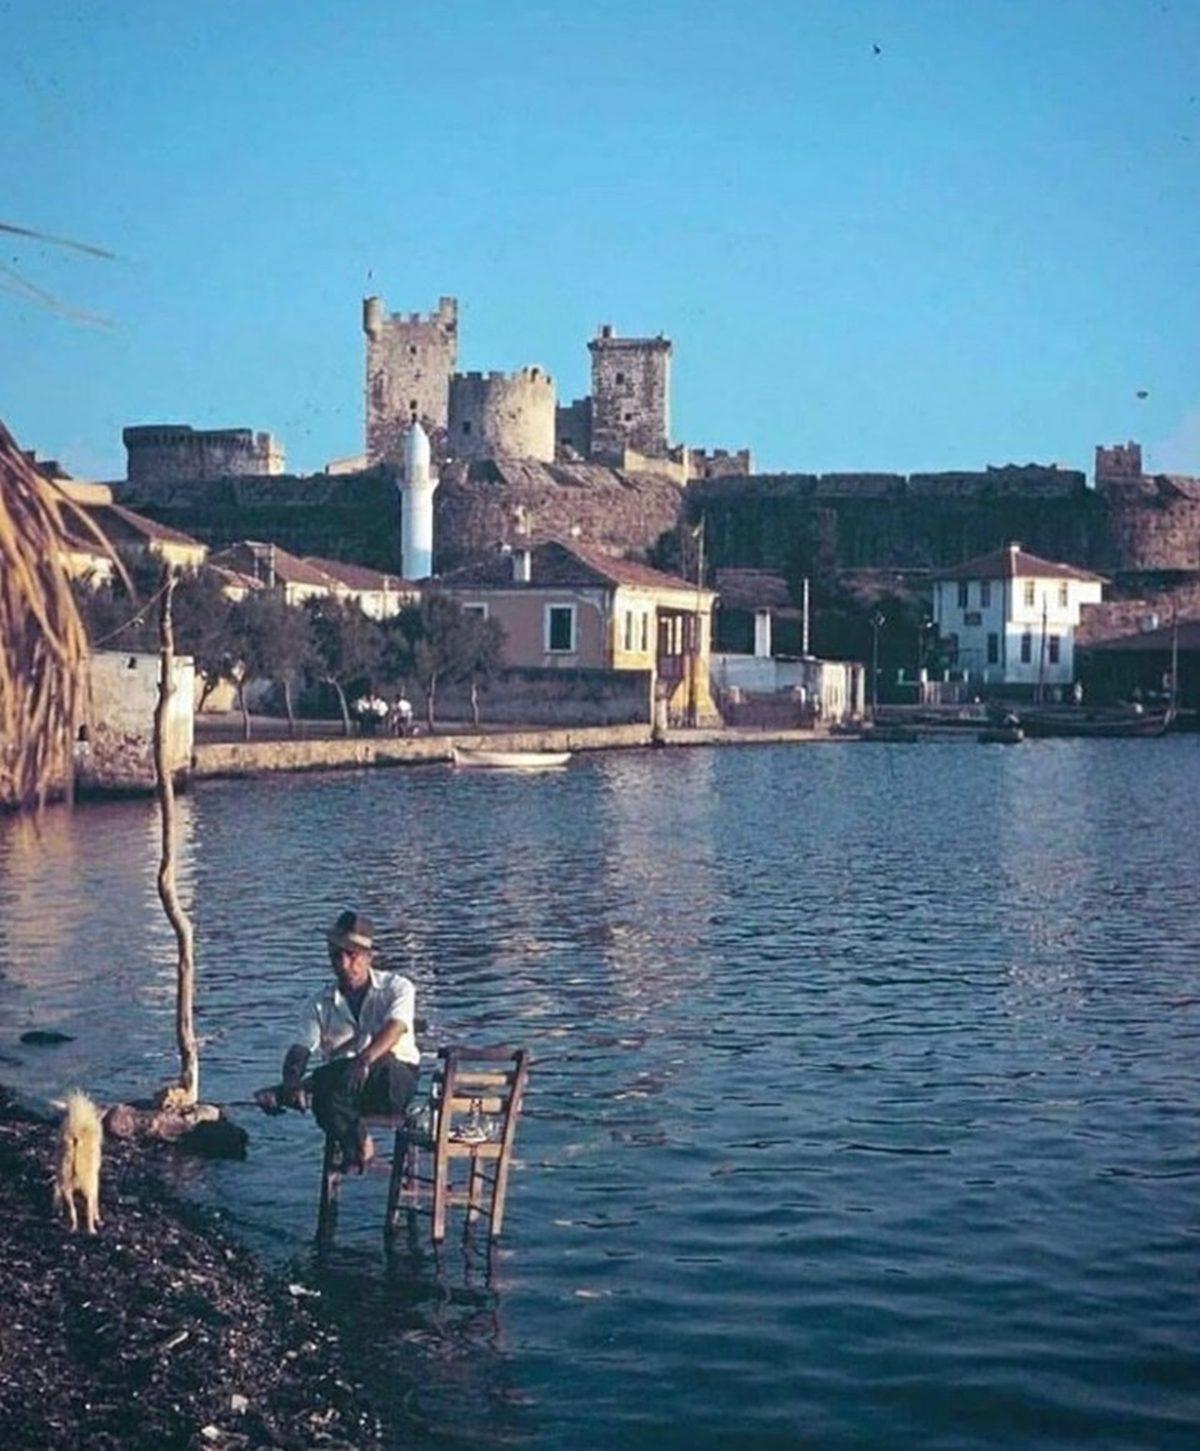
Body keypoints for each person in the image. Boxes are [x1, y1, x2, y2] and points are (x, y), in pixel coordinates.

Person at [276, 910, 419, 1171]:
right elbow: (301, 1048)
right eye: (336, 956)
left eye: (352, 956)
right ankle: (356, 1143)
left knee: (377, 1063)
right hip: (344, 1089)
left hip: (391, 1081)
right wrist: (291, 1081)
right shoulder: (318, 1003)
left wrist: (364, 1060)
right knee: (327, 1093)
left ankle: (352, 1138)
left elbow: (396, 1027)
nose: (344, 964)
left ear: (368, 958)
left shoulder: (397, 987)